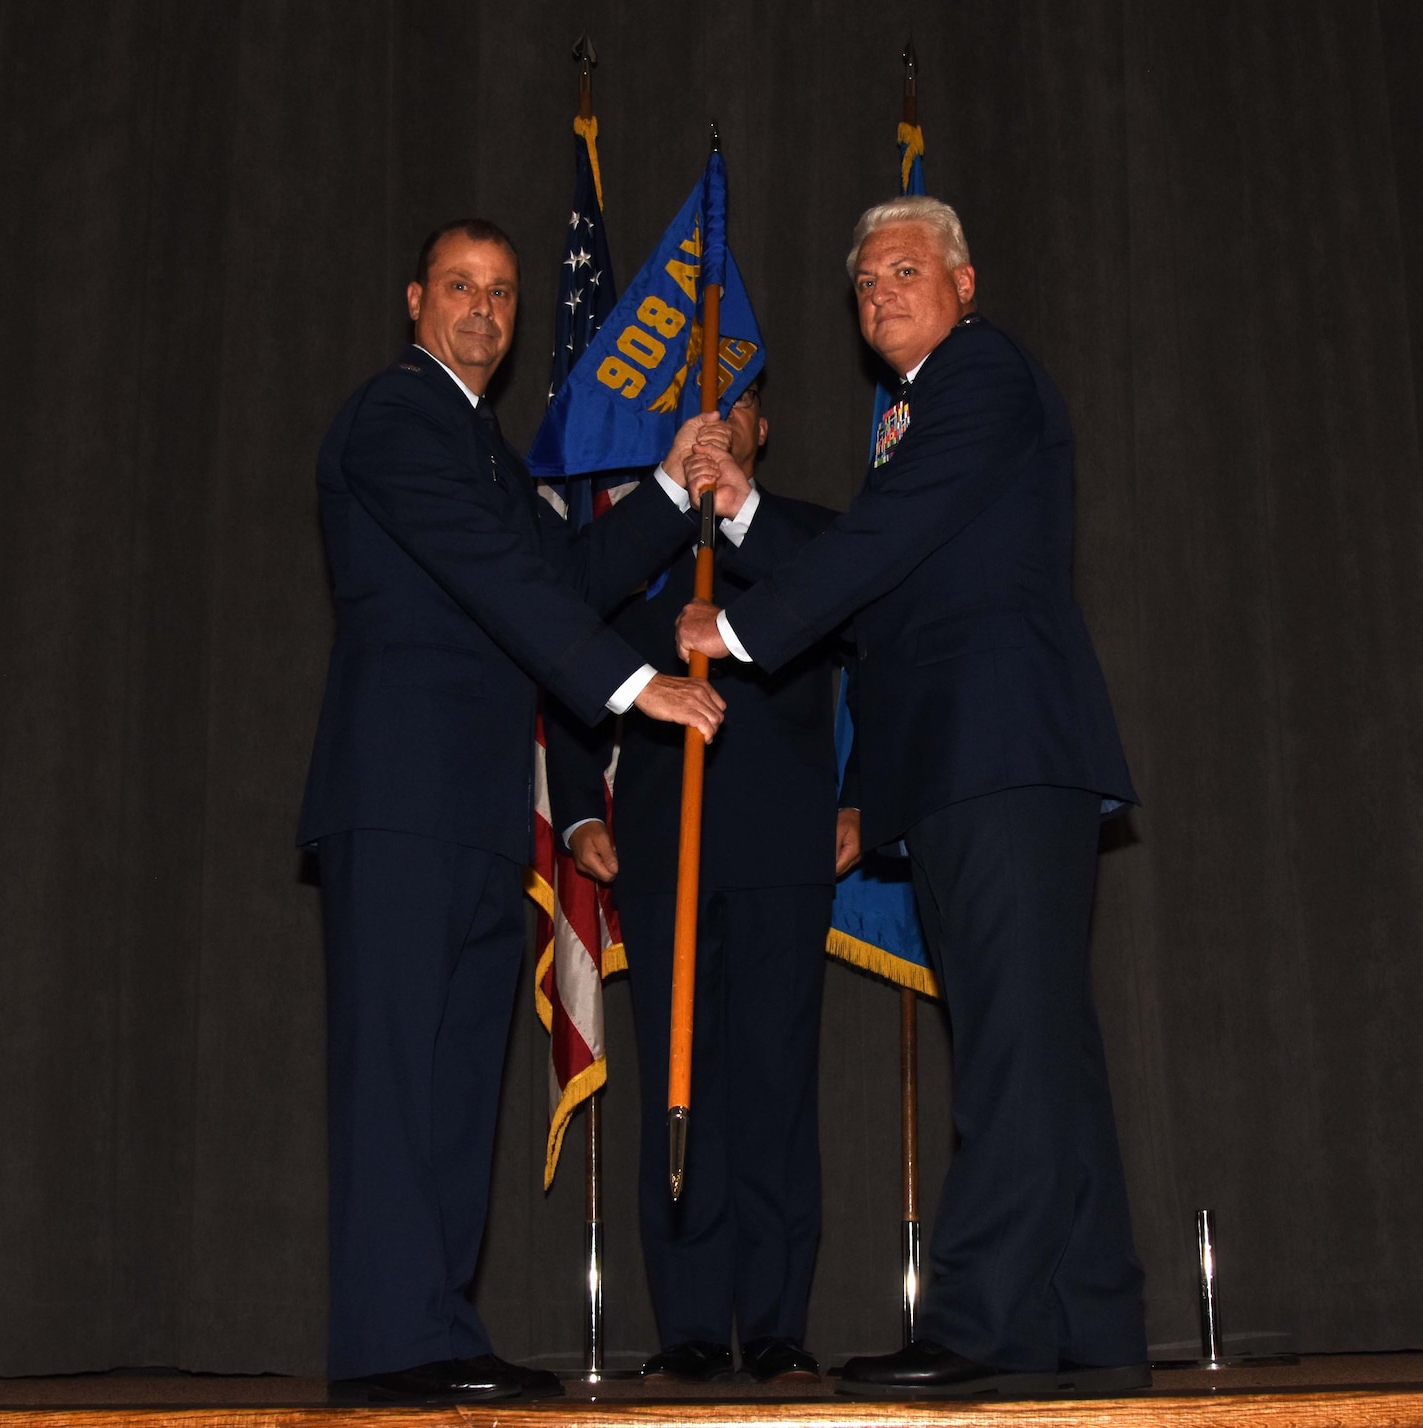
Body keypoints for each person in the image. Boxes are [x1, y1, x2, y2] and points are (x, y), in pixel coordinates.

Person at [675, 196, 1149, 1399]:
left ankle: (982, 1325)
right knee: (1040, 1050)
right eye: (864, 282)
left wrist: (734, 624)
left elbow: (880, 542)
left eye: (903, 269)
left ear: (964, 282)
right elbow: (883, 568)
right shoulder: (919, 418)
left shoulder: (977, 376)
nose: (879, 292)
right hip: (963, 766)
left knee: (1006, 1051)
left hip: (997, 756)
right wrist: (737, 511)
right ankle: (1086, 1322)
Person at [297, 218, 750, 1406]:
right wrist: (629, 683)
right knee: (398, 1076)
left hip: (472, 807)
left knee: (453, 1083)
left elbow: (555, 581)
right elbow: (495, 582)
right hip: (394, 798)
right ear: (414, 301)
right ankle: (387, 1344)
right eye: (461, 287)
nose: (485, 310)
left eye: (502, 292)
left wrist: (664, 485)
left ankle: (432, 1328)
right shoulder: (396, 416)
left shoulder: (486, 451)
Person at [543, 374, 851, 1386]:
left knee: (772, 1083)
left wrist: (865, 799)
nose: (724, 423)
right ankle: (682, 1327)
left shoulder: (808, 535)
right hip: (663, 843)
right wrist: (582, 802)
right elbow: (572, 651)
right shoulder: (642, 543)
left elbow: (865, 634)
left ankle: (770, 1324)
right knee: (680, 1080)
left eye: (742, 404)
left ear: (765, 425)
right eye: (704, 407)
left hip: (781, 845)